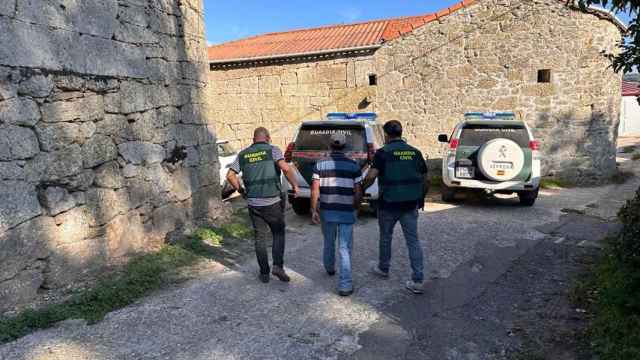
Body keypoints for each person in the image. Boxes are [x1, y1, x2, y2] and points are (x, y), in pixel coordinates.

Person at [361, 120, 429, 294]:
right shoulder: (415, 153)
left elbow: (371, 176)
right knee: (413, 241)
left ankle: (384, 268)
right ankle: (418, 280)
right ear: (401, 132)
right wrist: (420, 198)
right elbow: (425, 179)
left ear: (386, 134)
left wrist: (361, 190)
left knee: (385, 237)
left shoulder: (382, 153)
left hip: (388, 205)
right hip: (410, 205)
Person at [226, 127, 300, 283]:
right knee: (278, 234)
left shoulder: (243, 154)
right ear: (268, 138)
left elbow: (230, 175)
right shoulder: (273, 150)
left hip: (253, 203)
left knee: (260, 237)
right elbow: (285, 168)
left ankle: (264, 273)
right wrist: (295, 185)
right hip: (272, 202)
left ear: (254, 139)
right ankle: (278, 267)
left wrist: (241, 190)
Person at [310, 133, 363, 297]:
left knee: (328, 241)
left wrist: (313, 209)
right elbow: (358, 192)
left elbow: (315, 189)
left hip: (327, 211)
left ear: (330, 145)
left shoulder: (320, 165)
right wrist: (355, 207)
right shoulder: (354, 165)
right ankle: (345, 285)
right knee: (344, 248)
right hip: (346, 211)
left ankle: (330, 267)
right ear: (345, 146)